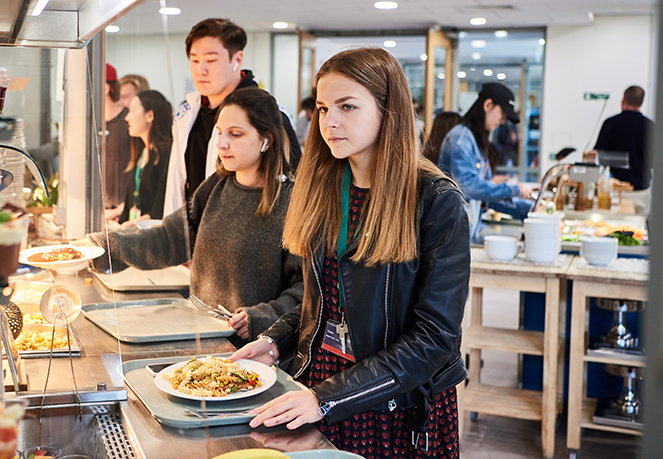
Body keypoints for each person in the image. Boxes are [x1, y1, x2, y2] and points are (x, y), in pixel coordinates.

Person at [229, 48, 470, 458]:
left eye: (347, 106)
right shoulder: (324, 186)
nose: (329, 122)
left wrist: (327, 398)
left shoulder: (435, 200)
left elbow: (436, 339)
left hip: (394, 401)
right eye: (323, 108)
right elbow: (324, 303)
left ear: (388, 112)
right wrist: (275, 342)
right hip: (322, 386)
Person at [86, 88, 303, 344]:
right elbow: (169, 239)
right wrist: (106, 247)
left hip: (252, 354)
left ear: (267, 139)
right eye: (220, 133)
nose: (222, 144)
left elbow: (306, 289)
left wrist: (264, 316)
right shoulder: (214, 187)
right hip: (200, 339)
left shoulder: (292, 203)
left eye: (235, 134)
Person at [163, 18, 302, 216]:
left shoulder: (268, 113)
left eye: (211, 60)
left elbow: (294, 183)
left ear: (237, 60)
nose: (200, 70)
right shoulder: (187, 113)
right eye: (194, 60)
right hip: (193, 235)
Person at [437, 83, 532, 240]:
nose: (502, 121)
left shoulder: (477, 141)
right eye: (502, 113)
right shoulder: (461, 138)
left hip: (467, 232)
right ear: (488, 105)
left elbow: (485, 194)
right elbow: (468, 186)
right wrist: (512, 190)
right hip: (450, 235)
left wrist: (525, 209)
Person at [105, 90, 172, 226]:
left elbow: (161, 208)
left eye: (132, 111)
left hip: (150, 233)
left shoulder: (166, 154)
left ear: (150, 115)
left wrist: (135, 223)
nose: (127, 118)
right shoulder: (141, 152)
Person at [594, 85, 654, 191]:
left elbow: (598, 154)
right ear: (642, 102)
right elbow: (655, 159)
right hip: (641, 189)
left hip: (615, 188)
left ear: (623, 99)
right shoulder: (650, 126)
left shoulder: (611, 123)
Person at [103, 63, 131, 210]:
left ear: (106, 88)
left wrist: (126, 206)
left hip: (122, 209)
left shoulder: (129, 119)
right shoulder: (92, 123)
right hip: (98, 207)